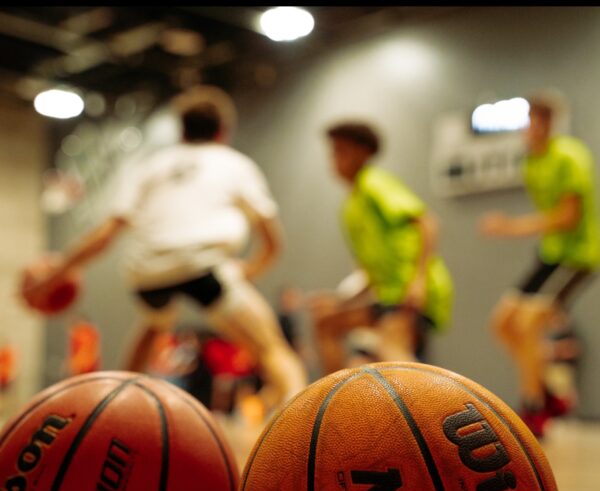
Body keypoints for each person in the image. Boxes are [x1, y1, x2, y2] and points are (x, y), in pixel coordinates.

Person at [22, 85, 307, 413]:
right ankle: (296, 430)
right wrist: (249, 270)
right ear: (223, 132)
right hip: (202, 266)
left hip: (146, 275)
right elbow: (273, 242)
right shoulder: (235, 164)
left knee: (154, 326)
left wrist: (56, 272)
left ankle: (113, 411)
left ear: (181, 130)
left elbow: (105, 234)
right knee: (273, 350)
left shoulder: (150, 166)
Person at [480, 91, 600, 437]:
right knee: (503, 323)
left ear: (548, 123)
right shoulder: (531, 162)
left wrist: (511, 226)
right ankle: (548, 392)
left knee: (530, 321)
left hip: (578, 256)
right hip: (550, 255)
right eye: (527, 119)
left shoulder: (570, 156)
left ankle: (533, 408)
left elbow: (568, 216)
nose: (530, 127)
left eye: (537, 119)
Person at [310, 121, 454, 374]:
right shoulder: (351, 206)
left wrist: (418, 280)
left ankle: (429, 409)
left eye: (340, 151)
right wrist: (341, 303)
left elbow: (427, 223)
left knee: (392, 351)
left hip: (411, 291)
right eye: (332, 152)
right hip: (387, 296)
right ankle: (334, 404)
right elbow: (370, 276)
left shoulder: (374, 183)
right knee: (326, 324)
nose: (333, 159)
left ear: (361, 152)